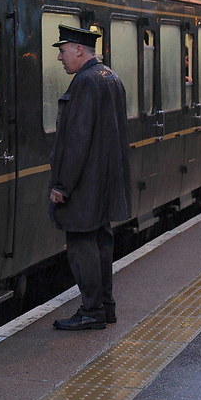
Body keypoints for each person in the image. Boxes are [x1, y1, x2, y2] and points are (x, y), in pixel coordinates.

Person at [49, 24, 132, 331]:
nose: (60, 58)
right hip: (105, 181)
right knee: (101, 245)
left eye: (63, 51)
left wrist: (62, 185)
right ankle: (105, 307)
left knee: (82, 247)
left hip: (85, 185)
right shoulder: (111, 77)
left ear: (79, 50)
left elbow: (77, 140)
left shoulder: (85, 83)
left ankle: (91, 311)